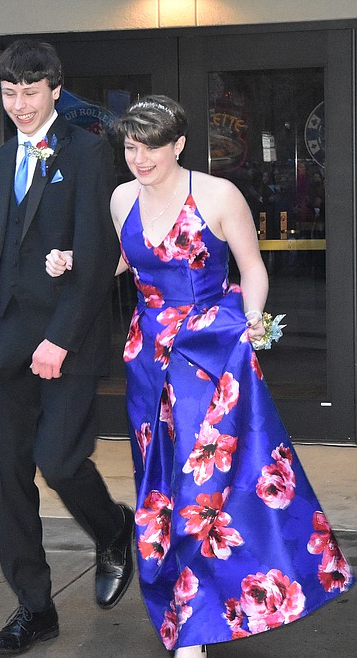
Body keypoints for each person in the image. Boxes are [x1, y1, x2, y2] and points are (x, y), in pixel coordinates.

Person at [46, 95, 354, 657]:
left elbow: (252, 267)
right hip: (147, 357)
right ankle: (186, 614)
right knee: (161, 487)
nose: (140, 160)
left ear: (179, 144)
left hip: (209, 355)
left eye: (152, 149)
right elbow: (129, 259)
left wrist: (253, 320)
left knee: (206, 491)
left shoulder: (217, 195)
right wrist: (76, 261)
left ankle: (200, 625)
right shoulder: (121, 198)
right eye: (131, 149)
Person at [0, 40, 134, 656]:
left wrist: (60, 337)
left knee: (58, 461)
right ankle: (35, 609)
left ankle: (113, 528)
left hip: (67, 337)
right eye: (10, 93)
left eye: (31, 91)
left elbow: (98, 257)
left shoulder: (89, 153)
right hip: (1, 339)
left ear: (55, 89)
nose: (20, 104)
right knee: (7, 478)